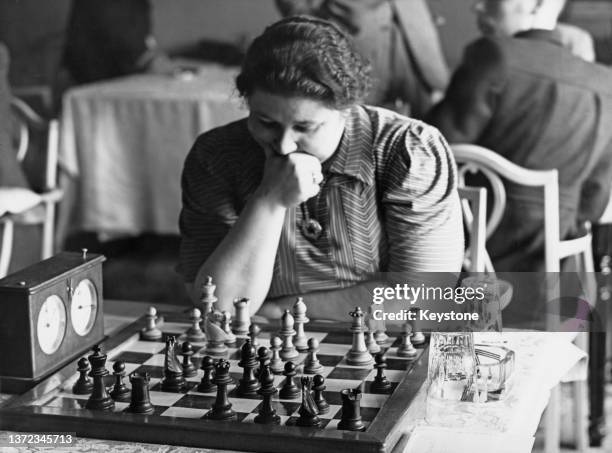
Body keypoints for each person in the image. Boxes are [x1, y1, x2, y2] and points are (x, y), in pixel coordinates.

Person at [178, 16, 463, 320]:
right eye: (266, 123)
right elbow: (218, 306)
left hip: (381, 343)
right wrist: (269, 200)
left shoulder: (408, 149)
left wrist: (285, 310)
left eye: (304, 127)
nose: (285, 145)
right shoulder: (215, 154)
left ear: (347, 109)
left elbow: (424, 298)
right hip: (264, 347)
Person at [427, 0, 612, 274]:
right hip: (553, 265)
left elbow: (430, 150)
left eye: (492, 1)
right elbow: (595, 199)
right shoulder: (604, 83)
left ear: (536, 4)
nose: (478, 8)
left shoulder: (494, 55)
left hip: (474, 253)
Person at [274, 0, 449, 119]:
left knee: (429, 131)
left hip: (415, 39)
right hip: (350, 42)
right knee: (353, 133)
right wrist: (317, 24)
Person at [62, 0, 176, 85]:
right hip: (99, 81)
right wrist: (148, 59)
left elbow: (142, 36)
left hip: (119, 76)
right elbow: (119, 31)